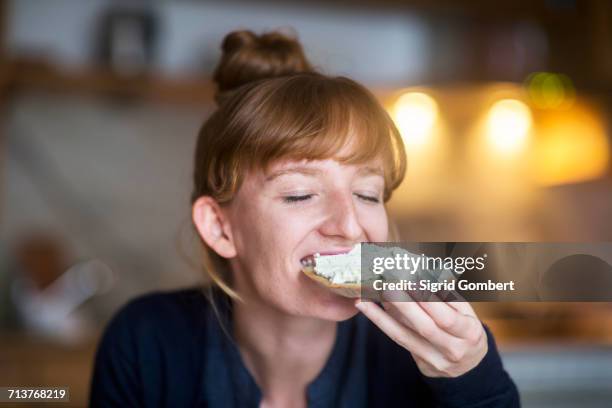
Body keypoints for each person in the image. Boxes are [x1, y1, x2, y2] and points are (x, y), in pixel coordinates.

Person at [90, 30, 520, 407]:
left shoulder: (418, 357)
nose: (350, 227)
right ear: (221, 228)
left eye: (368, 194)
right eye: (300, 194)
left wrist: (473, 386)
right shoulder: (147, 342)